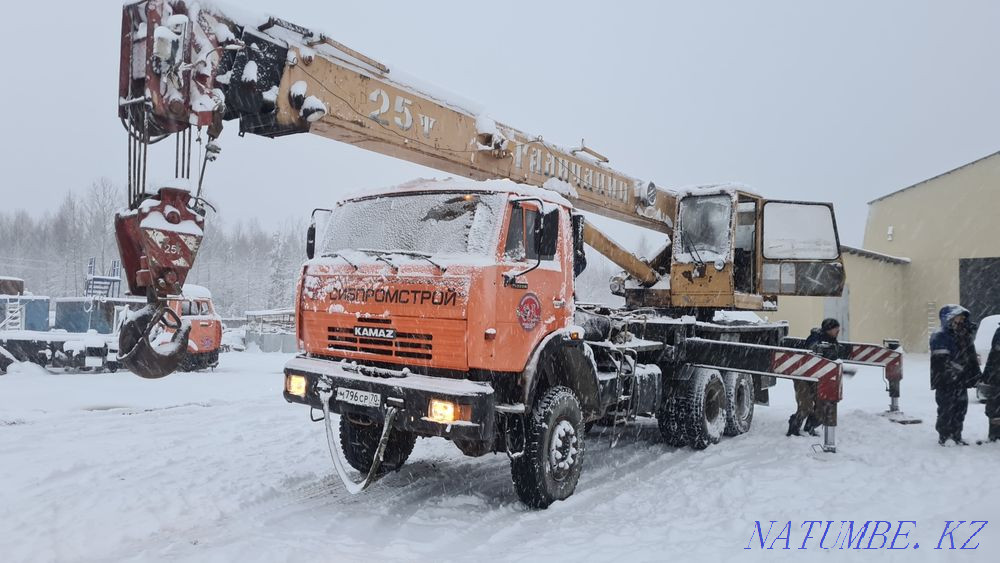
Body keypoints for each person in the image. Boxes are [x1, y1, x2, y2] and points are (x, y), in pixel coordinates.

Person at [929, 305, 981, 446]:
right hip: (946, 381)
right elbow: (941, 362)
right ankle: (945, 436)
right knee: (946, 409)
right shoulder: (940, 335)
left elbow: (970, 356)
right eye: (959, 317)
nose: (962, 320)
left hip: (960, 381)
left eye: (963, 318)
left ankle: (956, 435)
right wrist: (957, 369)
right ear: (949, 318)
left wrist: (974, 374)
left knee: (960, 409)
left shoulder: (963, 333)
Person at [788, 318, 841, 437]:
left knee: (821, 405)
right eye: (835, 328)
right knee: (805, 406)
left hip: (818, 376)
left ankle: (809, 427)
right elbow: (812, 349)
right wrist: (823, 349)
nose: (838, 330)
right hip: (803, 375)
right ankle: (793, 428)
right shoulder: (815, 338)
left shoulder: (833, 341)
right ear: (828, 329)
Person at [981, 325, 1000, 443]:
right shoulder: (999, 333)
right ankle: (995, 435)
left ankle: (995, 434)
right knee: (995, 408)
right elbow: (995, 354)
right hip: (997, 376)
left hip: (995, 374)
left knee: (995, 406)